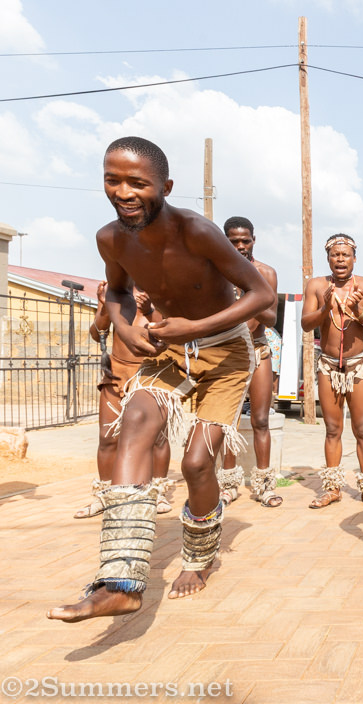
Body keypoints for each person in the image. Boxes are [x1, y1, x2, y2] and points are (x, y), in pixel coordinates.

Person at [48, 136, 275, 622]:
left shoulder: (197, 231)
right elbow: (114, 291)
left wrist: (195, 327)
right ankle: (121, 581)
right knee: (134, 422)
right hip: (169, 352)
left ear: (166, 186)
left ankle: (199, 555)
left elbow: (261, 297)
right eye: (113, 180)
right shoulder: (110, 238)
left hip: (228, 354)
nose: (123, 192)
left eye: (138, 183)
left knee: (196, 465)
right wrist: (128, 329)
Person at [303, 234, 363, 509]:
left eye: (345, 254)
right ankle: (332, 489)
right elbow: (306, 323)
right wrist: (326, 307)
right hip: (328, 366)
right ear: (328, 258)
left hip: (358, 366)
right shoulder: (317, 286)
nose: (340, 259)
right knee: (332, 429)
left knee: (362, 429)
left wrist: (358, 310)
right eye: (335, 255)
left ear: (354, 258)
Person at [76, 282, 172, 519]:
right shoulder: (117, 290)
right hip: (116, 372)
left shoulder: (164, 287)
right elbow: (97, 334)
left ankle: (157, 491)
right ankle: (105, 494)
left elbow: (169, 333)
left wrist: (150, 310)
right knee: (107, 437)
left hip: (152, 373)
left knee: (157, 439)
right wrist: (103, 305)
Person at [215, 216, 281, 508]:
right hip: (227, 351)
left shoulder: (265, 273)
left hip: (258, 349)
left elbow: (270, 317)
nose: (240, 246)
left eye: (245, 241)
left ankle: (264, 485)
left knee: (261, 420)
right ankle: (228, 484)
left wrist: (248, 297)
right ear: (225, 241)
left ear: (254, 240)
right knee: (227, 422)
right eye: (233, 241)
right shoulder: (215, 270)